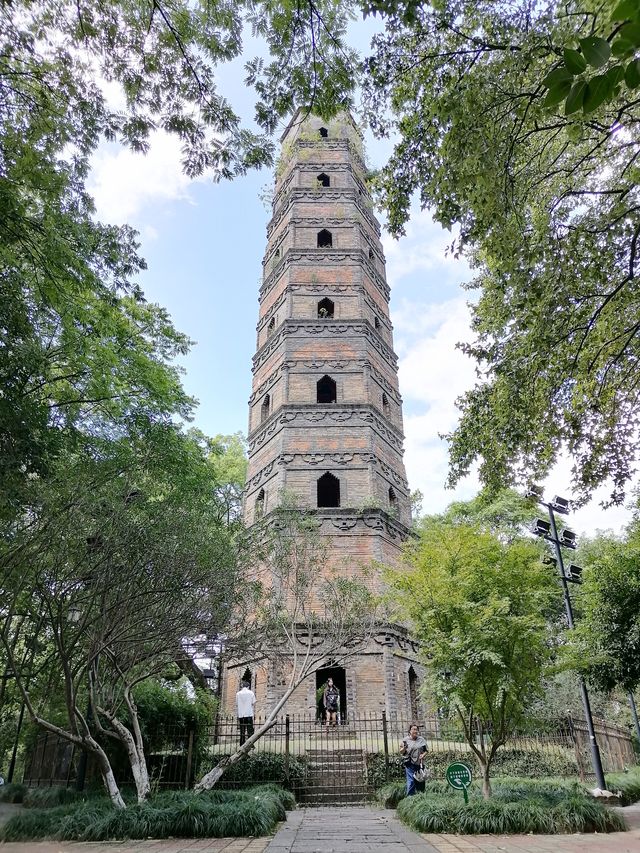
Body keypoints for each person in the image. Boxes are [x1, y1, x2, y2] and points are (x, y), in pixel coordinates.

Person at [400, 723, 428, 795]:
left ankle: (420, 797)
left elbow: (426, 750)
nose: (415, 731)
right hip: (410, 764)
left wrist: (423, 755)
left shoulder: (421, 739)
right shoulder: (405, 740)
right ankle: (410, 799)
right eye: (414, 729)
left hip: (420, 764)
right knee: (411, 781)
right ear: (410, 731)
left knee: (420, 782)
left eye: (416, 730)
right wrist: (404, 748)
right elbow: (401, 752)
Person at [236, 679, 256, 746]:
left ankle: (242, 743)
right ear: (248, 686)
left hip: (241, 714)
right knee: (250, 729)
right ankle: (250, 744)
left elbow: (237, 703)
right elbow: (253, 702)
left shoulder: (238, 694)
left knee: (242, 730)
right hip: (249, 713)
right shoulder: (251, 693)